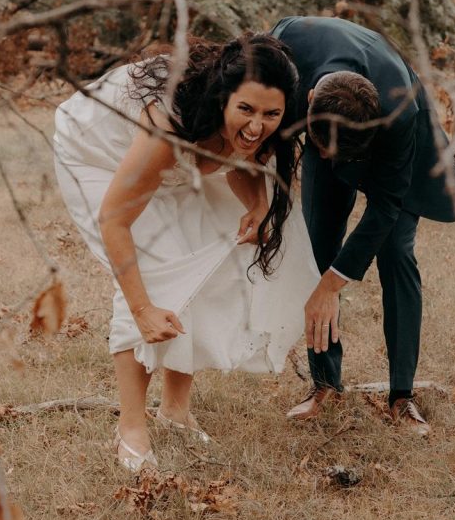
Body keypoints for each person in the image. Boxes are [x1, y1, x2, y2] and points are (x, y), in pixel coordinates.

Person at [53, 34, 319, 470]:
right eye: (246, 110)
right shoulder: (166, 129)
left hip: (181, 153)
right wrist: (142, 309)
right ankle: (131, 428)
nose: (257, 126)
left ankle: (175, 410)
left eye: (271, 114)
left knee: (209, 259)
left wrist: (258, 203)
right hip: (96, 152)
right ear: (221, 99)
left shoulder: (266, 125)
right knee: (157, 275)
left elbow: (244, 159)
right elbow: (114, 222)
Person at [270, 16, 455, 433]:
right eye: (322, 150)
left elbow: (386, 205)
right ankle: (324, 384)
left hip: (394, 145)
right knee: (317, 248)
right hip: (329, 109)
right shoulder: (284, 52)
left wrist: (332, 285)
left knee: (395, 251)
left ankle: (402, 396)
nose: (327, 160)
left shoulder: (399, 109)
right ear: (307, 105)